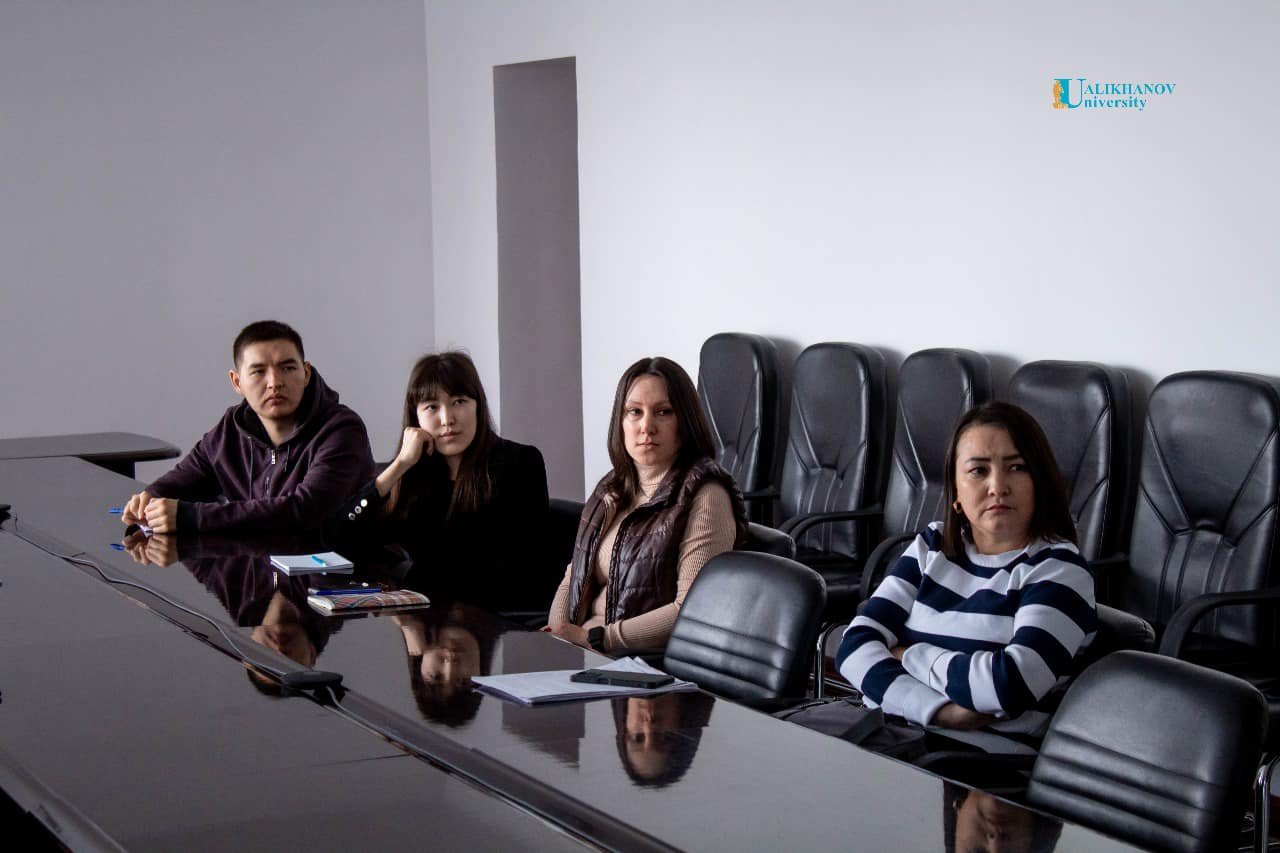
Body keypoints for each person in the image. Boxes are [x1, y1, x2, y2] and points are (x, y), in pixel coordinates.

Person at [836, 402, 1097, 754]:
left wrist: (909, 654)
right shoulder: (932, 545)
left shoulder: (1060, 570)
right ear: (956, 492)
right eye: (978, 470)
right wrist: (940, 711)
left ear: (1040, 481)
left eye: (1017, 467)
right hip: (887, 738)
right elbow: (854, 646)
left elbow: (1008, 684)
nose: (997, 486)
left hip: (973, 764)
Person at [546, 357, 748, 653]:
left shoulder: (706, 495)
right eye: (635, 412)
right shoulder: (611, 489)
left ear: (685, 421)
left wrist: (597, 639)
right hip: (586, 653)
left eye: (663, 412)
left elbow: (691, 608)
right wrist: (557, 635)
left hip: (641, 662)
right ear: (621, 421)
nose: (646, 426)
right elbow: (574, 575)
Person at [330, 351, 551, 612]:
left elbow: (520, 570)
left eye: (459, 401)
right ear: (416, 417)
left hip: (495, 621)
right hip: (427, 621)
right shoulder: (412, 473)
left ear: (478, 406)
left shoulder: (520, 463)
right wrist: (399, 465)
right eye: (432, 407)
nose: (447, 419)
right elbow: (339, 538)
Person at [120, 320, 375, 535]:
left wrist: (191, 517)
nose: (274, 382)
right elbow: (185, 479)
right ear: (236, 381)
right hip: (260, 565)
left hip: (339, 572)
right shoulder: (231, 429)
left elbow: (304, 512)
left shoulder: (342, 430)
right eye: (258, 372)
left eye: (288, 368)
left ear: (306, 373)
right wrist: (150, 498)